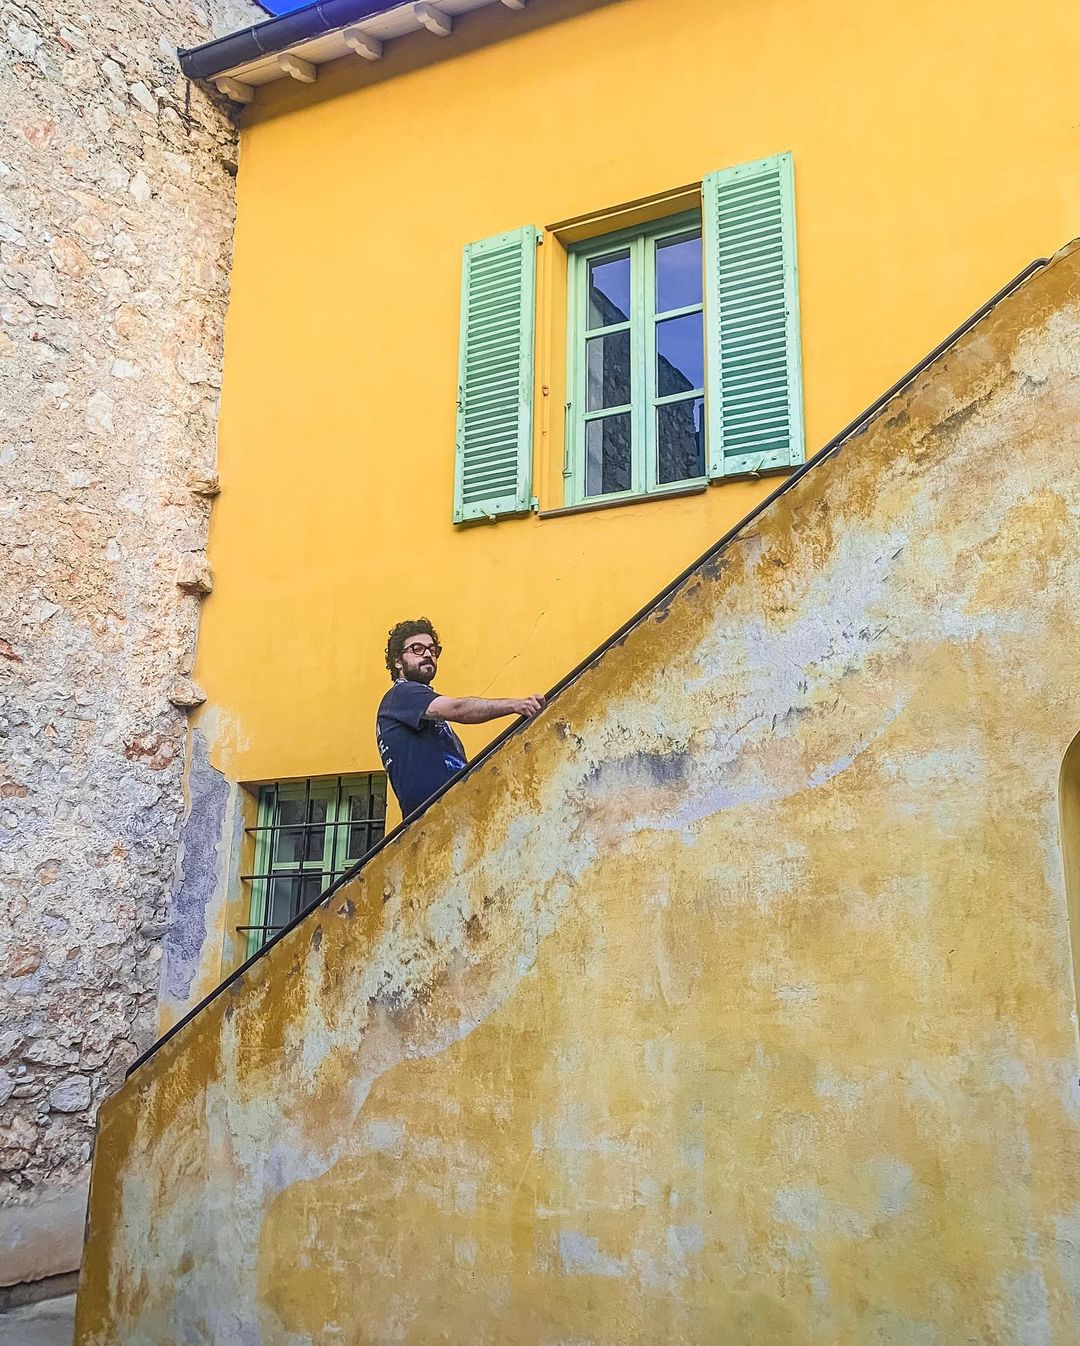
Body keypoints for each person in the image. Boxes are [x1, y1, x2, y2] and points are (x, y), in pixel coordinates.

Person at [376, 618, 546, 818]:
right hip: (437, 818)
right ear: (397, 661)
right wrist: (515, 705)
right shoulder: (402, 694)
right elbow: (458, 709)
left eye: (432, 649)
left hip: (450, 814)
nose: (428, 654)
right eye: (417, 649)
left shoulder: (413, 704)